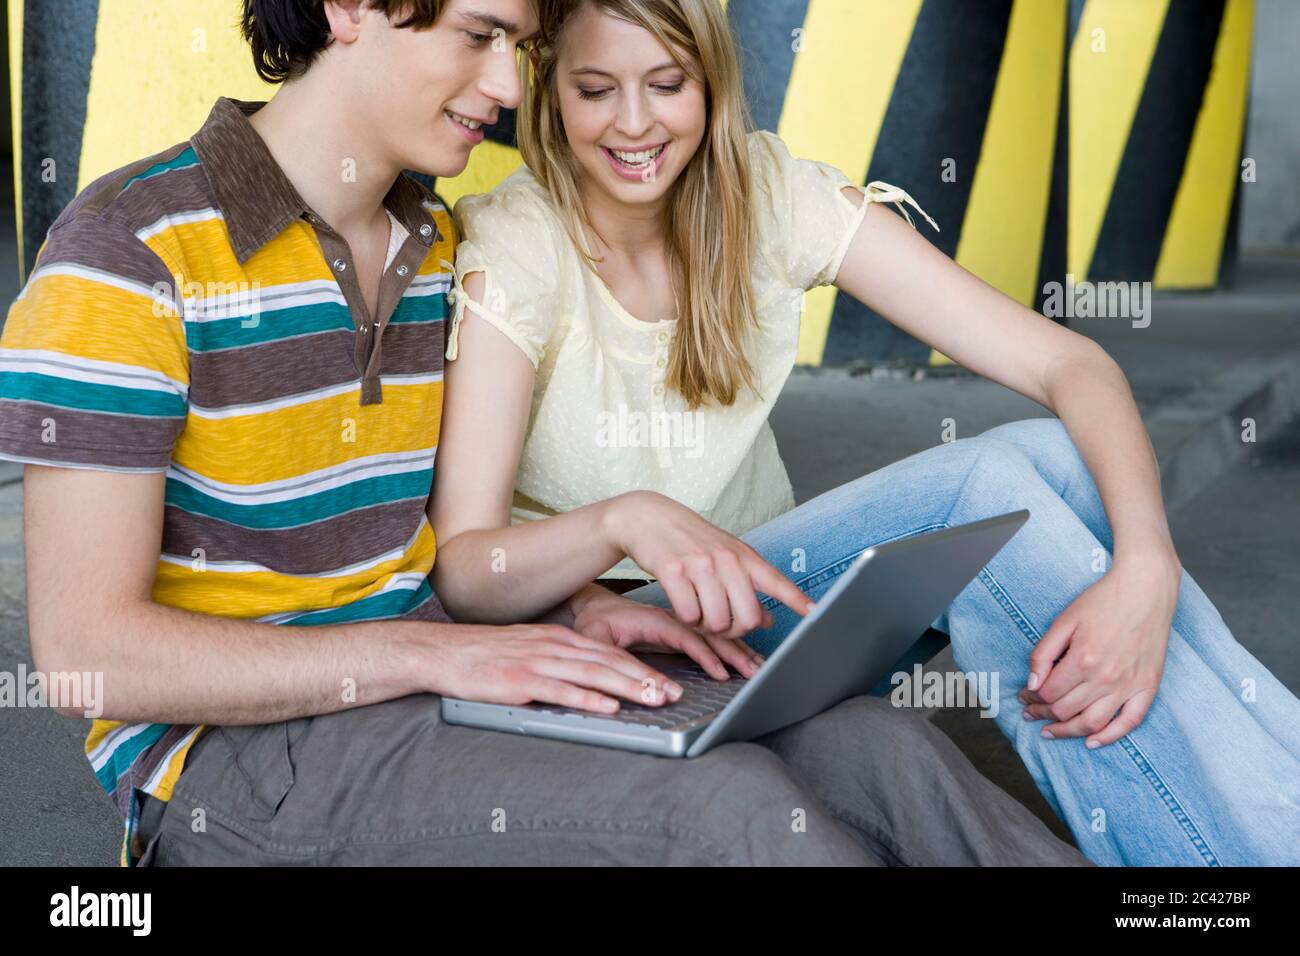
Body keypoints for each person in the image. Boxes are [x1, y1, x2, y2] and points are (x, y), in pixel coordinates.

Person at [0, 0, 1088, 867]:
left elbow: (421, 543)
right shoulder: (127, 251)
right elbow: (90, 658)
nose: (509, 87)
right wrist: (437, 649)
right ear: (347, 10)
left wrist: (581, 611)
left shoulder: (431, 246)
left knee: (883, 751)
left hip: (433, 685)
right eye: (478, 36)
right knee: (729, 812)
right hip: (238, 769)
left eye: (519, 46)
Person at [430, 0, 1300, 865]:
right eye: (594, 89)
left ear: (712, 84)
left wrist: (1150, 561)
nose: (633, 122)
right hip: (631, 631)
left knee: (1063, 458)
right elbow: (468, 566)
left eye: (666, 84)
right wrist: (625, 519)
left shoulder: (768, 196)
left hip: (772, 606)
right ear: (548, 91)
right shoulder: (519, 244)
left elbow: (1067, 365)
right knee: (987, 493)